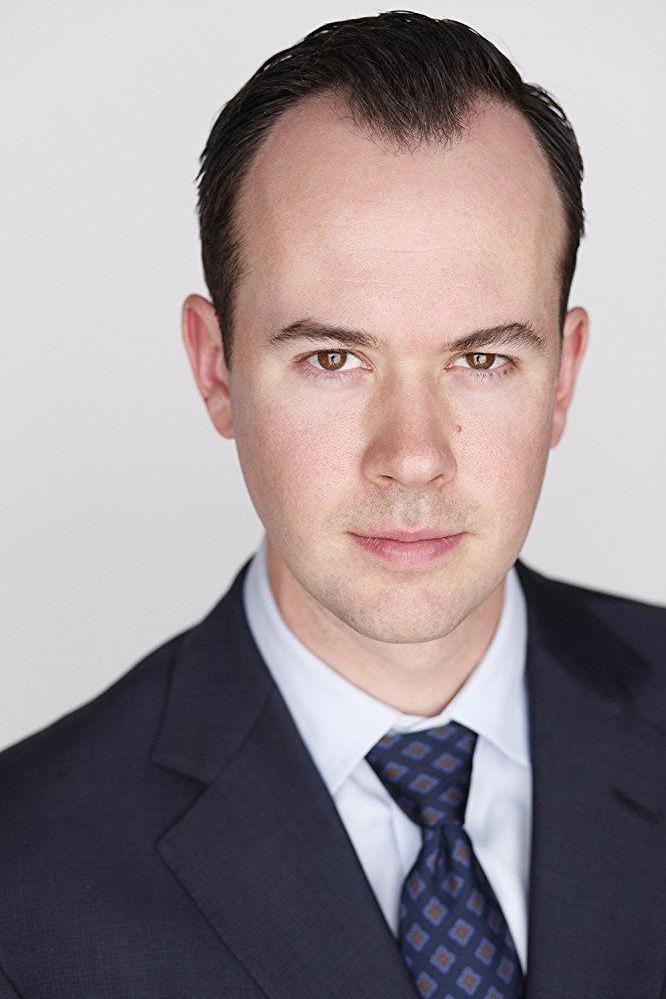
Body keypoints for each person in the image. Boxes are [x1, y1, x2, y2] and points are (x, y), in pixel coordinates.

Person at [1, 10, 664, 998]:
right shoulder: (24, 881)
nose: (413, 458)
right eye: (332, 358)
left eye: (484, 359)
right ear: (215, 369)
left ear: (562, 376)